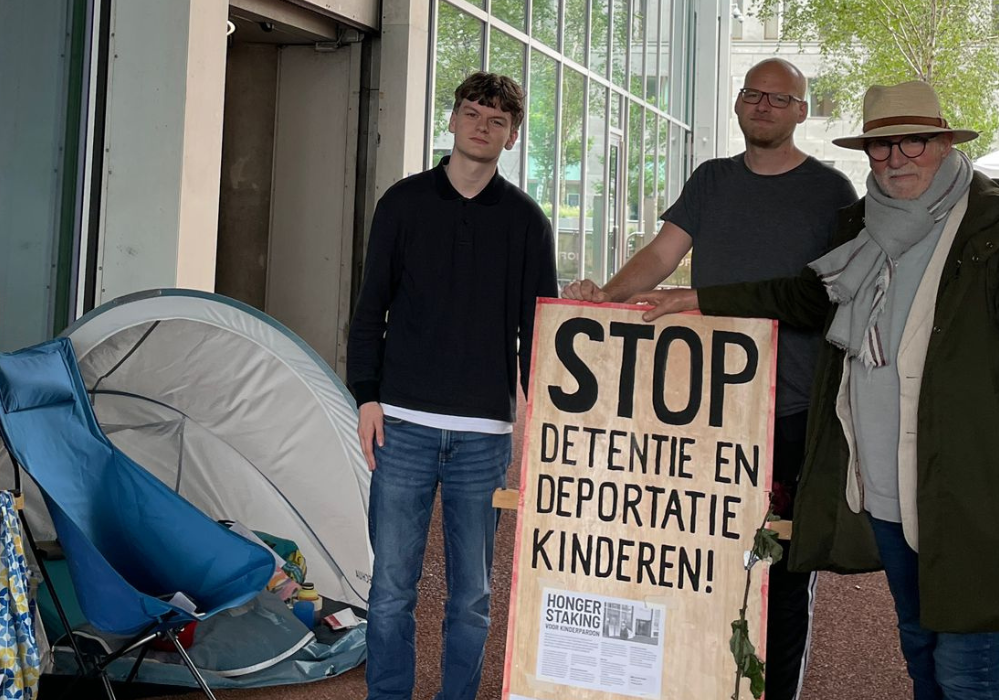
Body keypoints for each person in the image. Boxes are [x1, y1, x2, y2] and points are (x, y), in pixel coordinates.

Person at [632, 80, 999, 699]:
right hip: (881, 482)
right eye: (881, 147)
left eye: (912, 141)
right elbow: (806, 295)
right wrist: (693, 299)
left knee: (968, 664)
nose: (896, 158)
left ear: (942, 142)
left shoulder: (988, 225)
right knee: (918, 644)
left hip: (966, 490)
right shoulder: (861, 221)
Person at [561, 58, 858, 700]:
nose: (764, 106)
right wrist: (603, 302)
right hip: (711, 409)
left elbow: (818, 298)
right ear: (738, 104)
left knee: (781, 571)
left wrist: (702, 298)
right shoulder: (711, 180)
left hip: (792, 411)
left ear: (802, 111)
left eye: (780, 98)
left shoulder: (833, 193)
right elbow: (663, 253)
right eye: (753, 94)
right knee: (703, 560)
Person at [347, 71, 558, 700]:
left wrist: (544, 425)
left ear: (513, 136)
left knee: (471, 597)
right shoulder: (403, 203)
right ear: (452, 120)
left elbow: (535, 328)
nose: (482, 127)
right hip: (401, 424)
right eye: (472, 113)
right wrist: (365, 396)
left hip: (484, 435)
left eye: (497, 121)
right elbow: (369, 309)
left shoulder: (527, 222)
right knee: (390, 591)